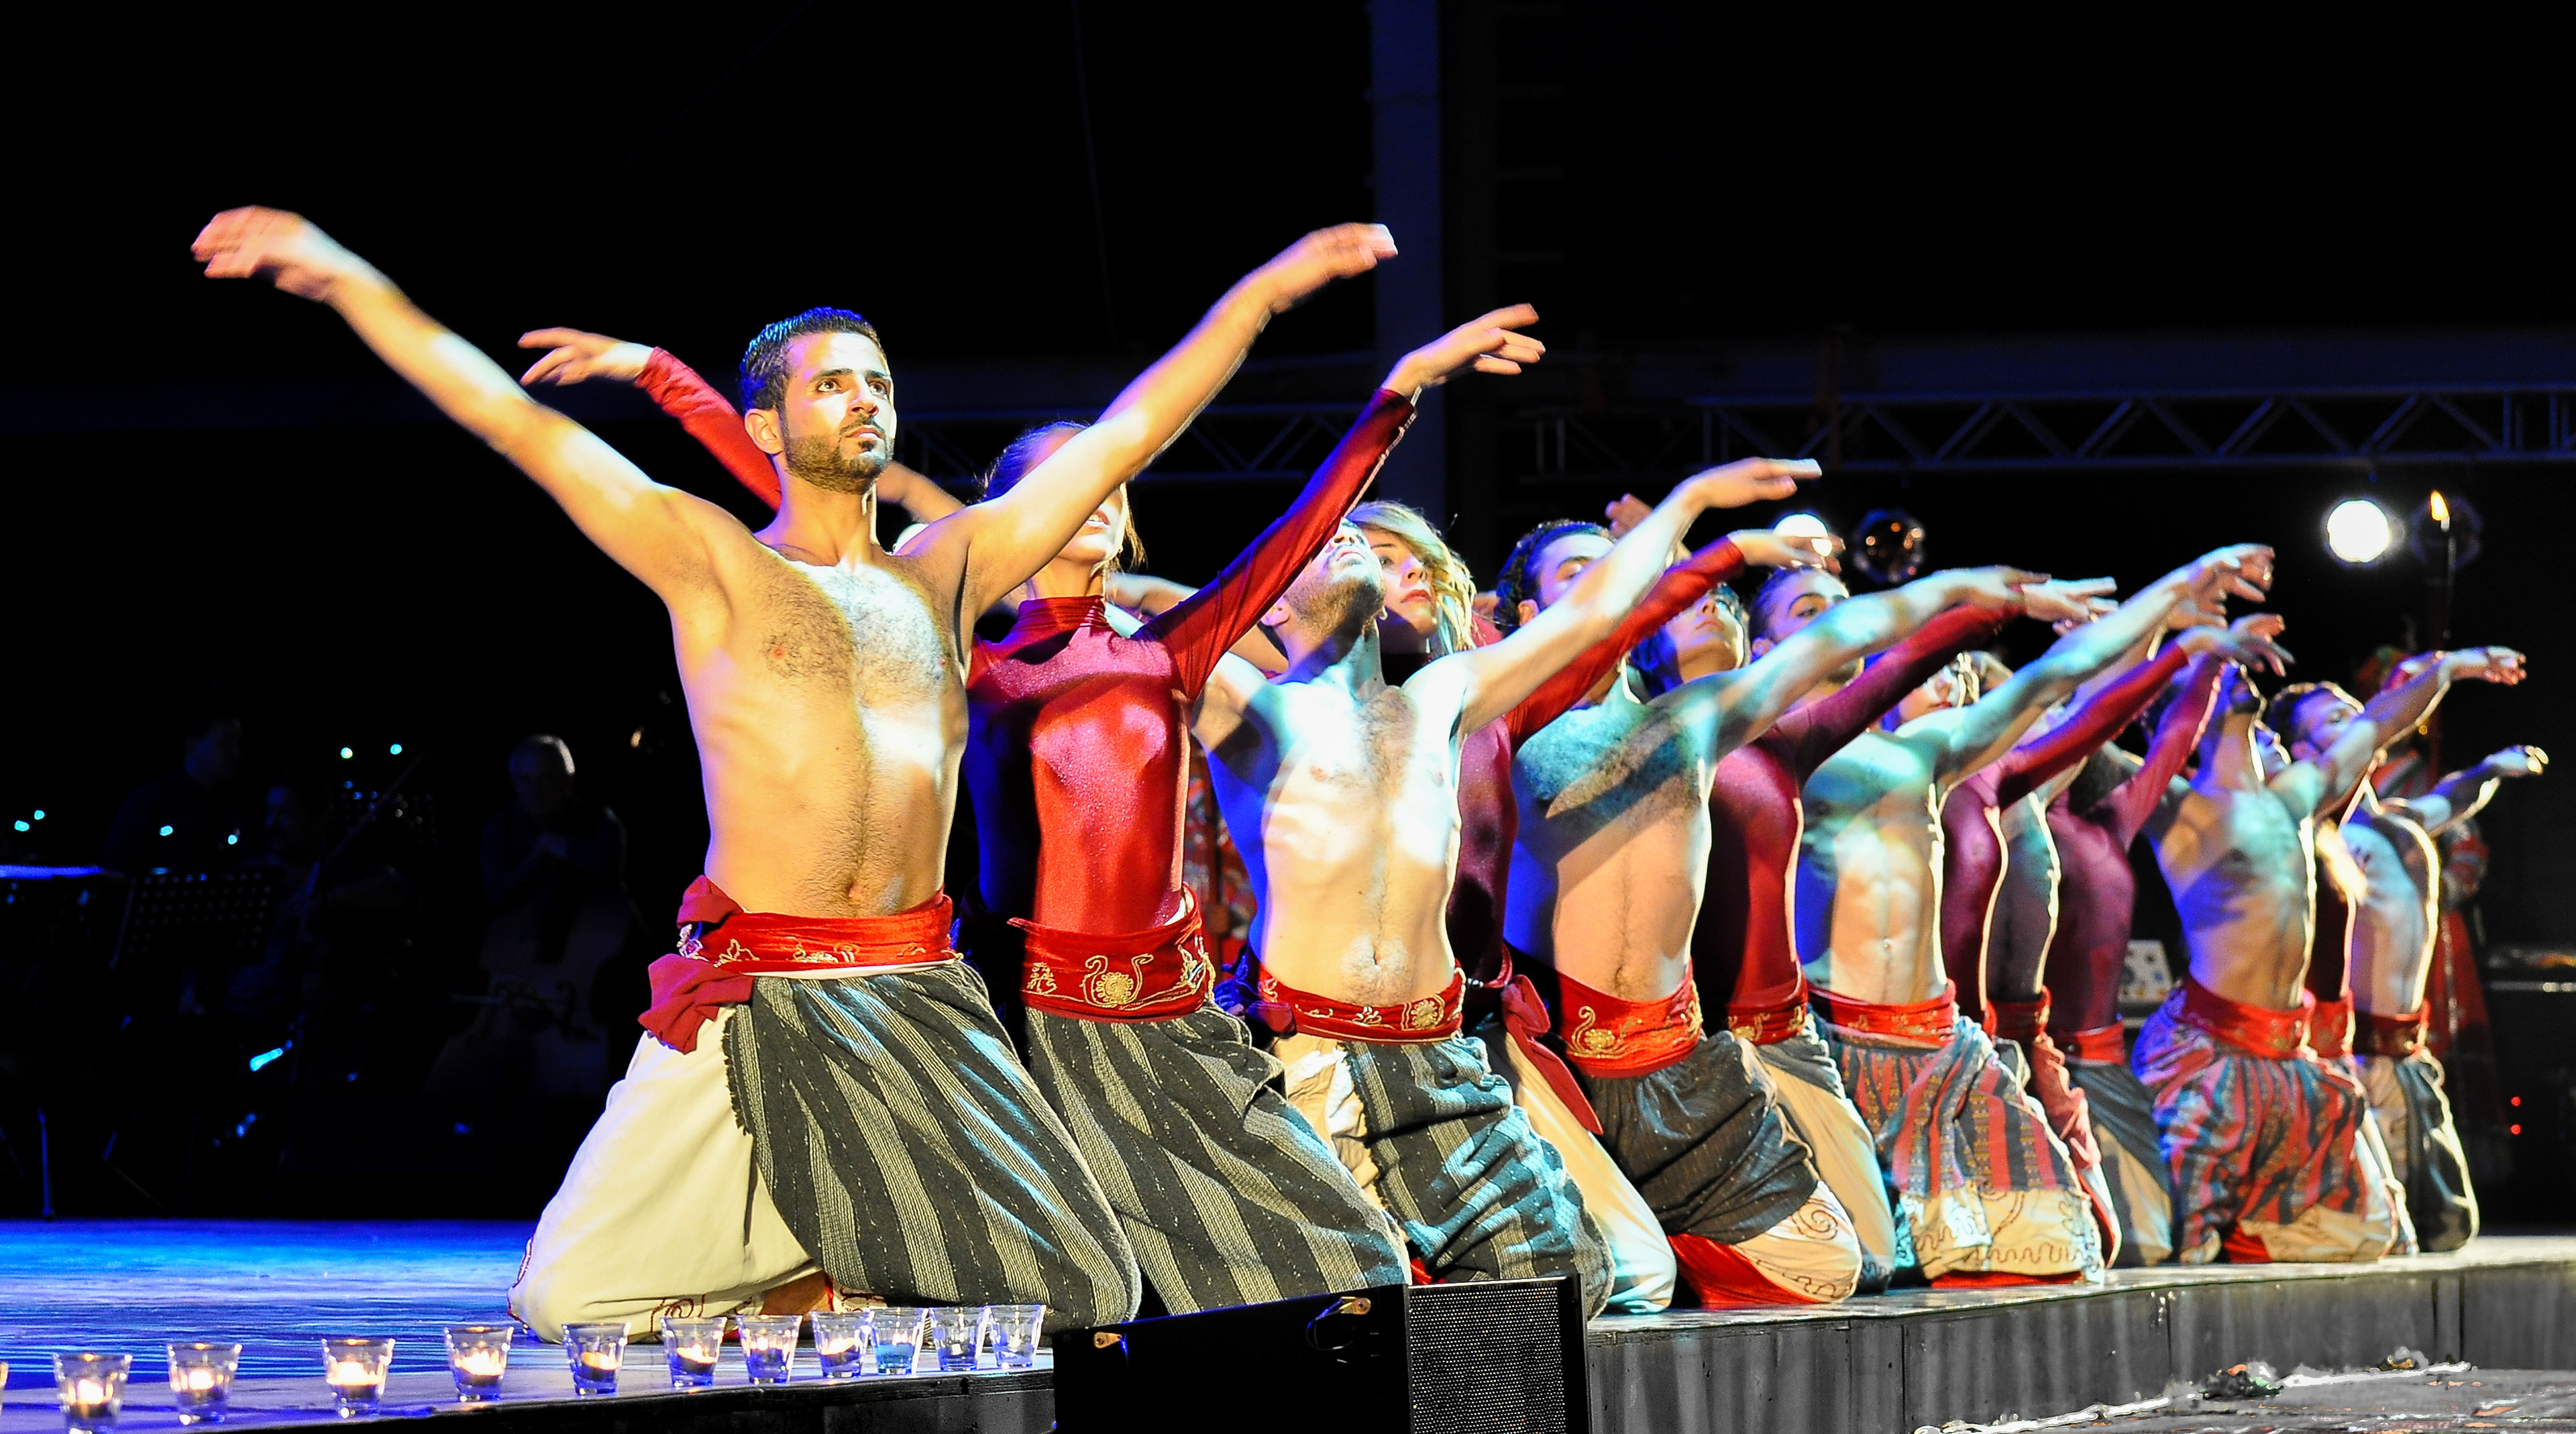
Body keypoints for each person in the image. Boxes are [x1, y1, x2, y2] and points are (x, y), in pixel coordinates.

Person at [197, 205, 1395, 1335]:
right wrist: (341, 273)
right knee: (564, 1300)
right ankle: (818, 1287)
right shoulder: (711, 559)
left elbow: (1138, 424)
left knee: (1083, 1285)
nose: (864, 400)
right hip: (761, 987)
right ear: (767, 426)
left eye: (877, 381)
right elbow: (514, 422)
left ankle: (852, 1274)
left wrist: (1274, 289)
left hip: (920, 993)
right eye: (832, 383)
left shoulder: (949, 571)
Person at [552, 307, 1553, 1313]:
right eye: (1062, 479)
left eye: (1107, 476)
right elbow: (801, 504)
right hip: (1025, 1014)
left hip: (1171, 1017)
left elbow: (1298, 529)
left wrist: (1401, 394)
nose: (1095, 490)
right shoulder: (965, 654)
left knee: (1339, 1276)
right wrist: (668, 380)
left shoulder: (1168, 649)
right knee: (1083, 1289)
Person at [1198, 457, 1821, 1315]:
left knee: (1588, 1278)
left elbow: (1597, 613)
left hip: (1439, 1055)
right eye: (1327, 541)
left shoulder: (1442, 693)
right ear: (1268, 596)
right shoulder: (1244, 701)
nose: (1350, 545)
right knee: (1352, 1297)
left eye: (1361, 541)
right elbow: (1104, 606)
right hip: (1317, 1056)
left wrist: (1690, 504)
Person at [1501, 537, 2078, 1303]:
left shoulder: (1700, 717)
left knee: (1847, 1265)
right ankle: (1643, 1233)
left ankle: (1672, 1223)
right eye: (1582, 574)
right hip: (1568, 1056)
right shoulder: (1493, 718)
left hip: (1689, 1061)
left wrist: (1956, 591)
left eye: (1623, 571)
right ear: (1525, 615)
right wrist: (1702, 519)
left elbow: (1843, 641)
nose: (1611, 585)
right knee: (1631, 1275)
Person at [1794, 547, 2269, 1284]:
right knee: (1877, 1261)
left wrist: (2176, 611)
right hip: (1839, 1035)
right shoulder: (1767, 749)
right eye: (1807, 613)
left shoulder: (1938, 758)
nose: (1835, 627)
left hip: (1948, 1039)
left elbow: (2067, 690)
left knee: (2065, 1247)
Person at [1670, 565, 2051, 1290]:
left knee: (1911, 1258)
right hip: (1736, 1034)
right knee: (1846, 1261)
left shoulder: (1871, 746)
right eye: (1808, 609)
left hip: (1831, 1032)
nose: (1836, 621)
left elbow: (2044, 696)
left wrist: (2140, 635)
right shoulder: (1708, 735)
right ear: (1767, 642)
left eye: (1843, 609)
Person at [2137, 644, 2524, 1264]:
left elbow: (2379, 726)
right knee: (2184, 1245)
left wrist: (2447, 670)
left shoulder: (2295, 799)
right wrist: (2178, 637)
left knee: (2381, 1235)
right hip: (2216, 1053)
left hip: (2296, 1057)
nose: (2233, 673)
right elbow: (2081, 724)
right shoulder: (2177, 807)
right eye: (2214, 675)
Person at [2273, 684, 2544, 1252]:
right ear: (2302, 751)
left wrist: (2491, 769)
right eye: (2335, 719)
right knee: (2387, 1235)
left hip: (2407, 1056)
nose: (2357, 720)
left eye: (2355, 710)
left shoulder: (2394, 820)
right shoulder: (2315, 836)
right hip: (2360, 1059)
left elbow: (2455, 797)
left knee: (2444, 1228)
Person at [425, 736, 643, 1189]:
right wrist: (535, 858)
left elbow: (612, 883)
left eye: (548, 781)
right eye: (526, 783)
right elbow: (494, 894)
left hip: (575, 995)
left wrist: (569, 853)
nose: (537, 793)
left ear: (569, 782)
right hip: (513, 981)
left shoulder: (599, 826)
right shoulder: (501, 829)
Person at [105, 710, 252, 875]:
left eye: (237, 743)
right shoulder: (151, 802)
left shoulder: (232, 806)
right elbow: (117, 870)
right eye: (226, 743)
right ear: (192, 746)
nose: (237, 753)